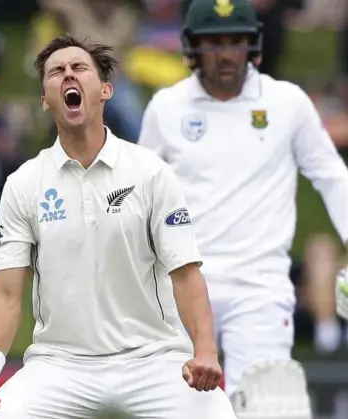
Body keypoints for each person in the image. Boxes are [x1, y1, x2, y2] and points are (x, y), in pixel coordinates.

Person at [0, 34, 237, 419]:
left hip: (153, 358)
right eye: (56, 72)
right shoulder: (24, 183)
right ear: (45, 99)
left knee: (218, 415)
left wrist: (205, 352)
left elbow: (186, 275)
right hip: (61, 364)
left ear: (105, 90)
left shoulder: (150, 172)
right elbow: (6, 294)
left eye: (79, 68)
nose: (68, 75)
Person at [138, 0, 348, 415]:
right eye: (214, 42)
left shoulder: (287, 103)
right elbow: (138, 192)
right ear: (191, 49)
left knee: (271, 406)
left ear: (254, 46)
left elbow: (331, 175)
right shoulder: (167, 107)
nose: (227, 53)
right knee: (184, 410)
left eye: (237, 41)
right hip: (182, 285)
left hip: (260, 287)